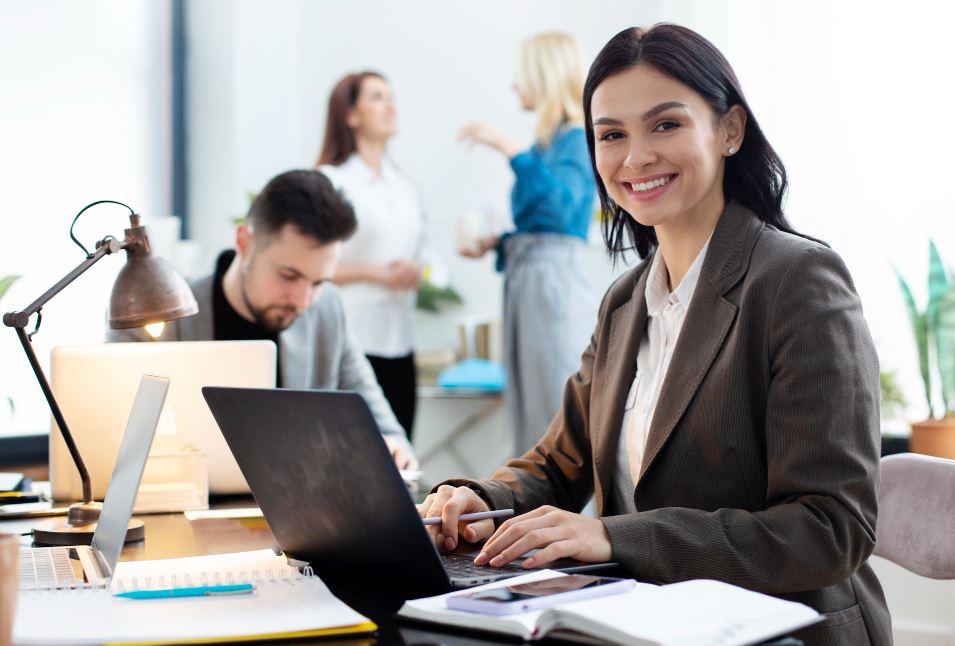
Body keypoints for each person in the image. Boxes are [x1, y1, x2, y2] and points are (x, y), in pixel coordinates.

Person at [421, 24, 890, 645]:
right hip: (643, 623)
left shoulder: (797, 280)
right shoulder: (625, 300)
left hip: (778, 631)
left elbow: (830, 530)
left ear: (730, 130)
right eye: (611, 135)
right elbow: (558, 462)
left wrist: (614, 536)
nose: (635, 157)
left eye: (665, 125)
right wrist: (476, 499)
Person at [108, 169, 417, 469]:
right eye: (288, 275)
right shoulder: (157, 314)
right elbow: (111, 437)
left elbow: (388, 429)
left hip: (300, 517)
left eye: (318, 282)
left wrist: (391, 448)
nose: (303, 300)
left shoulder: (328, 311)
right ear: (244, 242)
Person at [458, 32, 598, 457]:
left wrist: (508, 148)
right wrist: (498, 243)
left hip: (549, 283)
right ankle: (532, 514)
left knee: (551, 408)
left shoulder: (575, 137)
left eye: (521, 76)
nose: (515, 86)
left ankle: (565, 520)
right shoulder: (548, 144)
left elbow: (560, 211)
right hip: (531, 279)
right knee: (530, 407)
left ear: (543, 76)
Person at [317, 71, 425, 440]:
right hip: (355, 341)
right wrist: (376, 273)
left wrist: (416, 270)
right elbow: (312, 266)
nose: (390, 105)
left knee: (401, 460)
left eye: (391, 96)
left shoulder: (405, 185)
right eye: (377, 97)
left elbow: (418, 251)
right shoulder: (332, 181)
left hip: (401, 343)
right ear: (351, 115)